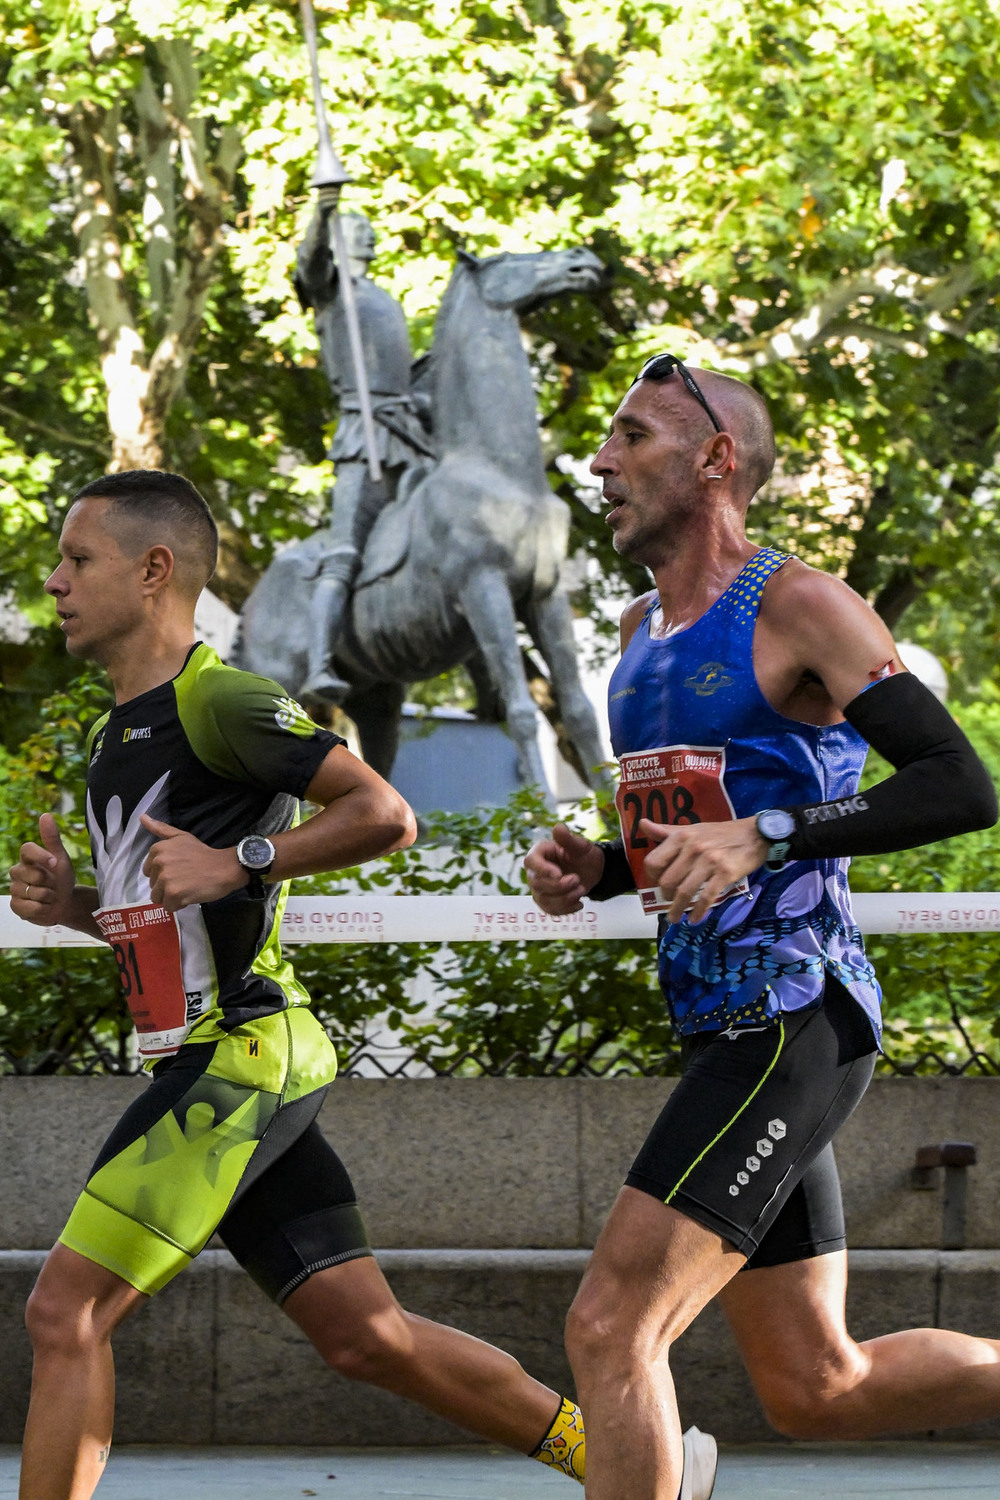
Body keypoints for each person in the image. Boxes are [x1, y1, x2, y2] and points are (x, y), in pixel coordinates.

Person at [10, 469, 587, 1500]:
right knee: (367, 1339)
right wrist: (72, 910)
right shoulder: (115, 737)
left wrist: (247, 862)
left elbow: (385, 813)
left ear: (153, 572)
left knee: (65, 1315)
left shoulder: (219, 699)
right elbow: (167, 925)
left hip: (239, 1060)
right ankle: (629, 1457)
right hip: (222, 1061)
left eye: (76, 559)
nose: (54, 581)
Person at [523, 354, 1000, 1500]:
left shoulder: (798, 605)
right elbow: (679, 838)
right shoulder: (635, 635)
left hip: (792, 1019)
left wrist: (768, 833)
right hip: (720, 1025)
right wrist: (594, 870)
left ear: (715, 458)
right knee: (816, 1387)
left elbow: (957, 783)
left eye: (632, 437)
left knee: (610, 1328)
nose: (599, 461)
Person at [293, 197, 435, 704]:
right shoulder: (333, 293)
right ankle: (319, 664)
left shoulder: (381, 298)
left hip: (407, 435)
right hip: (362, 437)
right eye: (359, 231)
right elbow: (308, 264)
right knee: (343, 555)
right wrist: (323, 212)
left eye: (372, 231)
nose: (371, 238)